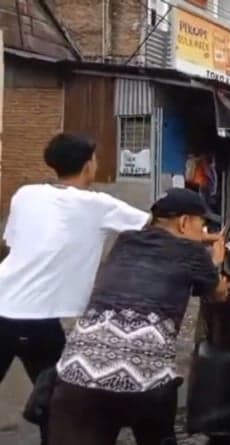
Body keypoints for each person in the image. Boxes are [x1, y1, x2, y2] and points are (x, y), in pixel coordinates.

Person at [0, 133, 150, 444]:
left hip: (6, 302)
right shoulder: (97, 204)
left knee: (54, 394)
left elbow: (11, 244)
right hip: (35, 318)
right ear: (87, 166)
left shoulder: (25, 194)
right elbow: (157, 226)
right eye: (94, 160)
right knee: (56, 400)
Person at [48, 188, 228, 445]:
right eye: (203, 223)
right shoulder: (194, 254)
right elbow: (218, 294)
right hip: (146, 380)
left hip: (79, 372)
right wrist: (216, 261)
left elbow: (160, 263)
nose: (204, 230)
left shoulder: (125, 241)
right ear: (184, 222)